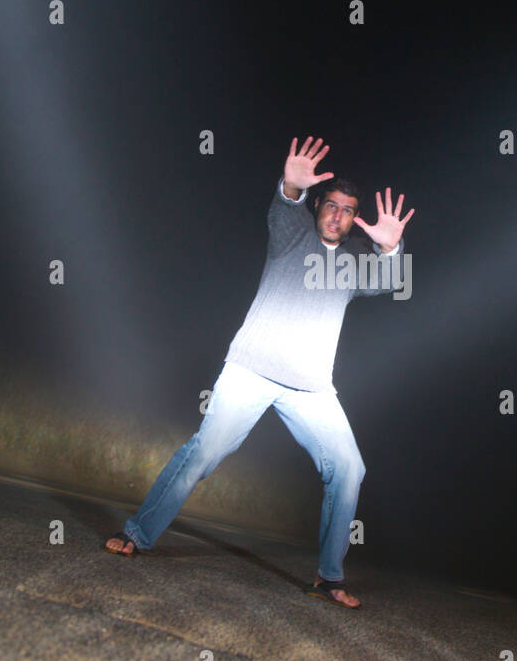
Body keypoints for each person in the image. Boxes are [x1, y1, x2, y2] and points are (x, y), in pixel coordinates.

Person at [104, 136, 414, 608]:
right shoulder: (292, 235)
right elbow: (285, 205)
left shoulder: (353, 263)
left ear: (355, 221)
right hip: (252, 369)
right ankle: (137, 533)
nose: (337, 216)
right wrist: (290, 186)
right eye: (330, 206)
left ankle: (329, 578)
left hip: (311, 389)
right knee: (204, 453)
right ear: (317, 207)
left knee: (350, 468)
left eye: (347, 211)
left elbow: (394, 282)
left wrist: (392, 251)